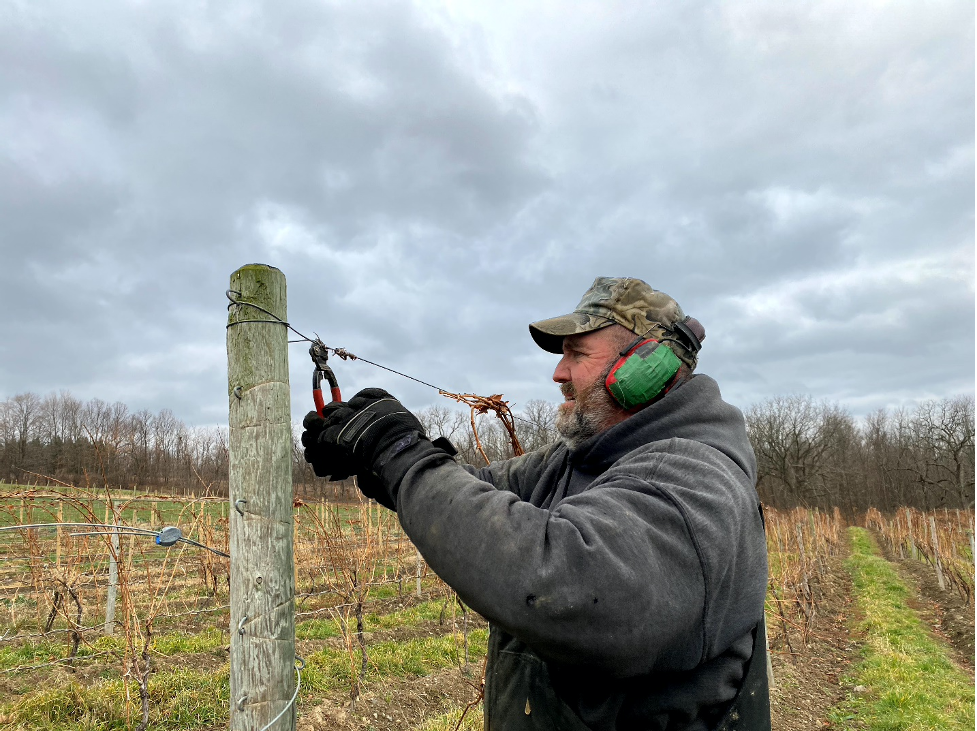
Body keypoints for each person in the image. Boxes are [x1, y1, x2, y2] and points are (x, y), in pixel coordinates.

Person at [302, 277, 770, 731]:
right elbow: (472, 493)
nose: (558, 373)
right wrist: (378, 463)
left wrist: (402, 456)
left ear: (645, 369)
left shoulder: (697, 481)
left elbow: (567, 585)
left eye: (577, 354)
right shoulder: (575, 460)